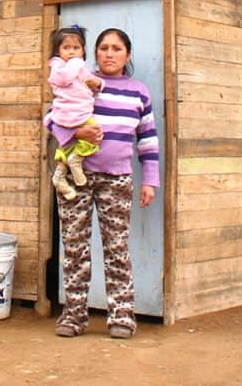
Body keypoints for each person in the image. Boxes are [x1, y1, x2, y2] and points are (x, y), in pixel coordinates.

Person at [45, 27, 159, 340]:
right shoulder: (80, 79)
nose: (109, 54)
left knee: (117, 247)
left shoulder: (139, 91)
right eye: (103, 48)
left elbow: (147, 140)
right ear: (94, 53)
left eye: (117, 49)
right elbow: (50, 118)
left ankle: (122, 316)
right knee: (75, 248)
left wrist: (150, 180)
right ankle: (74, 315)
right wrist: (74, 134)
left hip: (118, 180)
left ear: (128, 55)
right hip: (76, 178)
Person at [47, 26, 104, 201]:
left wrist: (98, 84)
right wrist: (77, 62)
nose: (71, 52)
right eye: (66, 48)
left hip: (79, 111)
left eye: (76, 48)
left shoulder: (79, 68)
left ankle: (59, 177)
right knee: (95, 136)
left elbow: (92, 82)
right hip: (69, 113)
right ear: (58, 51)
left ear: (83, 50)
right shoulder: (58, 66)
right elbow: (64, 79)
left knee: (67, 146)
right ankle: (76, 160)